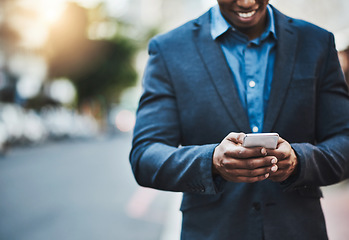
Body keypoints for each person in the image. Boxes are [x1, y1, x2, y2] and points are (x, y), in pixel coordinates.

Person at [129, 0, 349, 239]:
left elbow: (344, 140)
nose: (246, 2)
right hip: (213, 231)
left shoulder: (317, 42)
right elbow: (145, 155)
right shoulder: (169, 49)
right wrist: (211, 161)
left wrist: (299, 161)